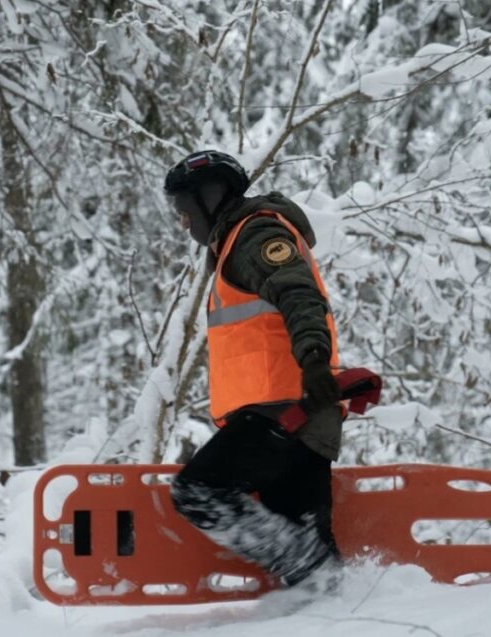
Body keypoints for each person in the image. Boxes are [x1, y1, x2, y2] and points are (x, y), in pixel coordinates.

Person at [164, 149, 344, 589]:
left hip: (284, 412)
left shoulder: (255, 233)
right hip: (300, 416)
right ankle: (332, 596)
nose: (185, 223)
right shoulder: (235, 247)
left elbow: (297, 293)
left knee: (199, 492)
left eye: (185, 210)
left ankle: (315, 569)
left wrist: (315, 361)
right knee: (309, 568)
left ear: (212, 195)